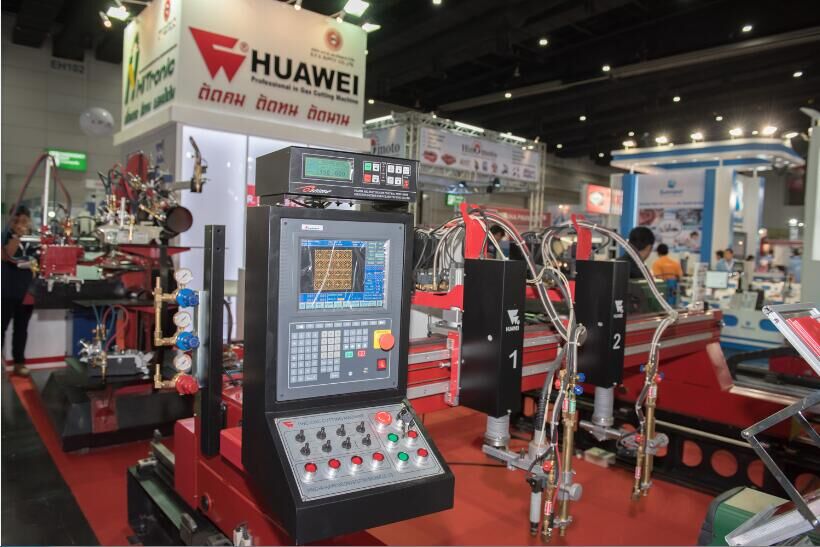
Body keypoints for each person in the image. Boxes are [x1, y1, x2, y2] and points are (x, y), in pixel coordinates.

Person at [2, 206, 35, 376]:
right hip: (6, 290)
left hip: (26, 291)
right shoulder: (4, 236)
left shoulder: (34, 239)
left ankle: (19, 362)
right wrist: (16, 237)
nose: (19, 224)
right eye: (16, 221)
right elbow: (6, 256)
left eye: (23, 221)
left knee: (21, 329)